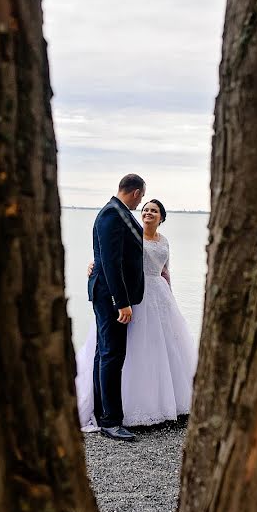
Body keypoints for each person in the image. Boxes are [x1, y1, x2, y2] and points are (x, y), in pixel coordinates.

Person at [77, 198, 198, 434]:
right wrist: (94, 265)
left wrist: (171, 297)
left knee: (161, 348)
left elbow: (165, 271)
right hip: (135, 296)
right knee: (130, 347)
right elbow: (113, 257)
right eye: (145, 209)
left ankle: (166, 401)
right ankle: (123, 407)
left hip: (159, 296)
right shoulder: (132, 235)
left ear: (161, 217)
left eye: (154, 210)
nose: (148, 212)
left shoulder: (164, 242)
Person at [87, 174, 147, 441]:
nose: (140, 202)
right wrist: (121, 302)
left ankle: (103, 413)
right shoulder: (112, 214)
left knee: (105, 353)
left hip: (107, 293)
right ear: (135, 192)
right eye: (142, 197)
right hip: (110, 296)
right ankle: (111, 421)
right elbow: (111, 263)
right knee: (112, 355)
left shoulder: (116, 212)